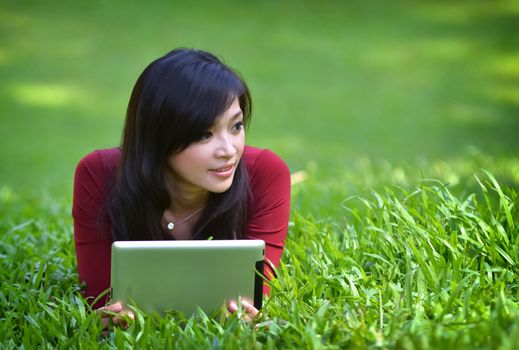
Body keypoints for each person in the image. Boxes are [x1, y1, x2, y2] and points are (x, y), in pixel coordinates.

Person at [72, 48, 291, 326]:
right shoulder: (98, 173)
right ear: (158, 136)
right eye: (204, 134)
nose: (228, 150)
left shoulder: (266, 173)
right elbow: (101, 301)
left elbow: (253, 299)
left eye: (236, 126)